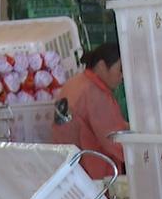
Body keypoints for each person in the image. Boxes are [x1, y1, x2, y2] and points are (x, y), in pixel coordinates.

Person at [51, 42, 129, 179]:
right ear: (101, 66)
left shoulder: (74, 83)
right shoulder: (94, 93)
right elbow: (114, 138)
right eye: (121, 69)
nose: (123, 77)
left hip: (67, 168)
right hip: (91, 174)